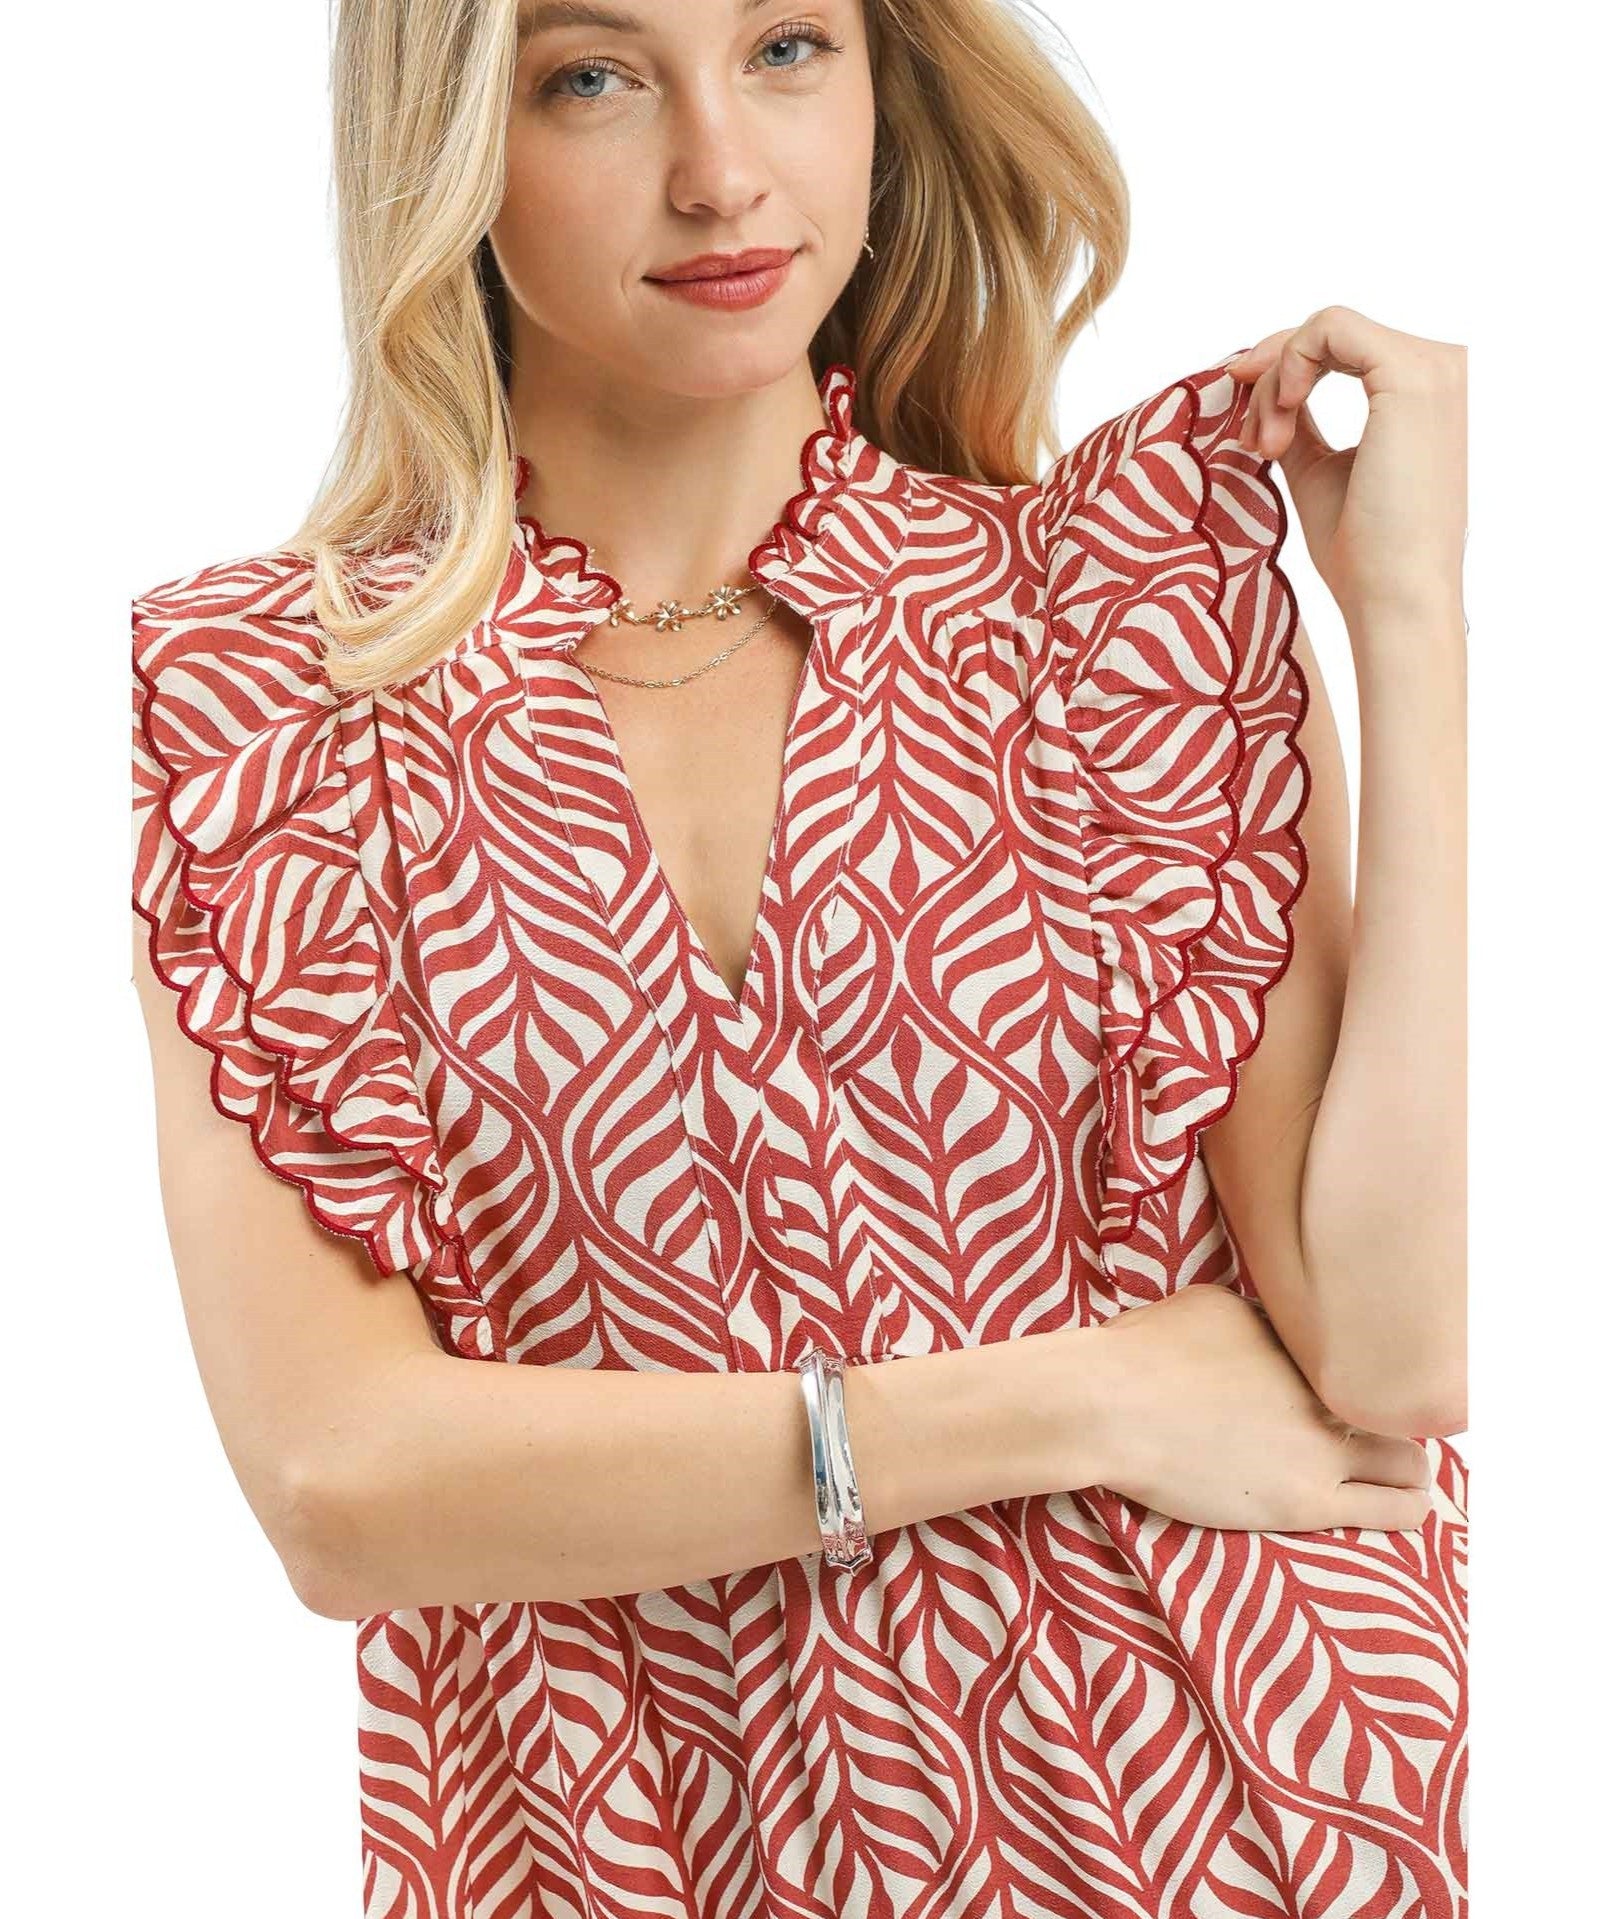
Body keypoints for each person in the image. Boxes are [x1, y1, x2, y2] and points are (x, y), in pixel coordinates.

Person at [130, 1, 1468, 1912]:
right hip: (615, 1851)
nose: (721, 170)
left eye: (784, 48)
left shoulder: (1107, 615)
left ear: (879, 82)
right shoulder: (271, 710)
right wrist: (1074, 1396)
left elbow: (1396, 1351)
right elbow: (343, 1490)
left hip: (1217, 1811)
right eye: (592, 78)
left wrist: (1409, 620)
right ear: (443, 148)